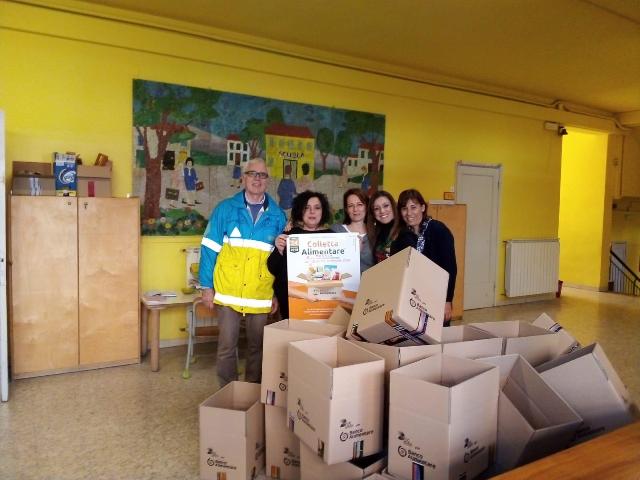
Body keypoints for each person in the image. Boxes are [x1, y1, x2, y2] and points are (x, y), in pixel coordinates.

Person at [199, 158, 286, 387]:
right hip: (228, 291)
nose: (257, 179)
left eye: (262, 175)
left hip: (260, 293)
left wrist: (275, 294)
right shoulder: (225, 209)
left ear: (268, 180)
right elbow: (209, 248)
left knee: (257, 347)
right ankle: (228, 393)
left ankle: (251, 393)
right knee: (227, 347)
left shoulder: (278, 216)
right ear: (243, 178)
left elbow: (279, 260)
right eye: (252, 174)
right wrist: (206, 287)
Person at [391, 189, 457, 326]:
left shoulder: (438, 230)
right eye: (404, 208)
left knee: (437, 333)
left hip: (437, 297)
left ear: (422, 207)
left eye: (413, 207)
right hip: (412, 299)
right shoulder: (401, 236)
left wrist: (447, 300)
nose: (409, 213)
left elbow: (450, 267)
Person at [267, 190, 334, 320]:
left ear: (323, 211)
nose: (312, 212)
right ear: (300, 211)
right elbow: (272, 268)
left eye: (317, 208)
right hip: (292, 304)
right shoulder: (289, 235)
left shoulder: (333, 236)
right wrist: (279, 250)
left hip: (326, 304)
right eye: (306, 208)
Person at [331, 188, 374, 273]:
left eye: (359, 204)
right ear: (346, 209)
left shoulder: (376, 232)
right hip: (344, 280)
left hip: (372, 280)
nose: (355, 209)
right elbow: (331, 262)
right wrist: (354, 251)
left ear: (366, 207)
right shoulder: (336, 230)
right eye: (351, 206)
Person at [368, 190, 399, 264]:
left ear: (393, 206)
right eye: (376, 208)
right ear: (373, 213)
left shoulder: (405, 233)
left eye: (386, 206)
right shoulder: (377, 233)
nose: (382, 211)